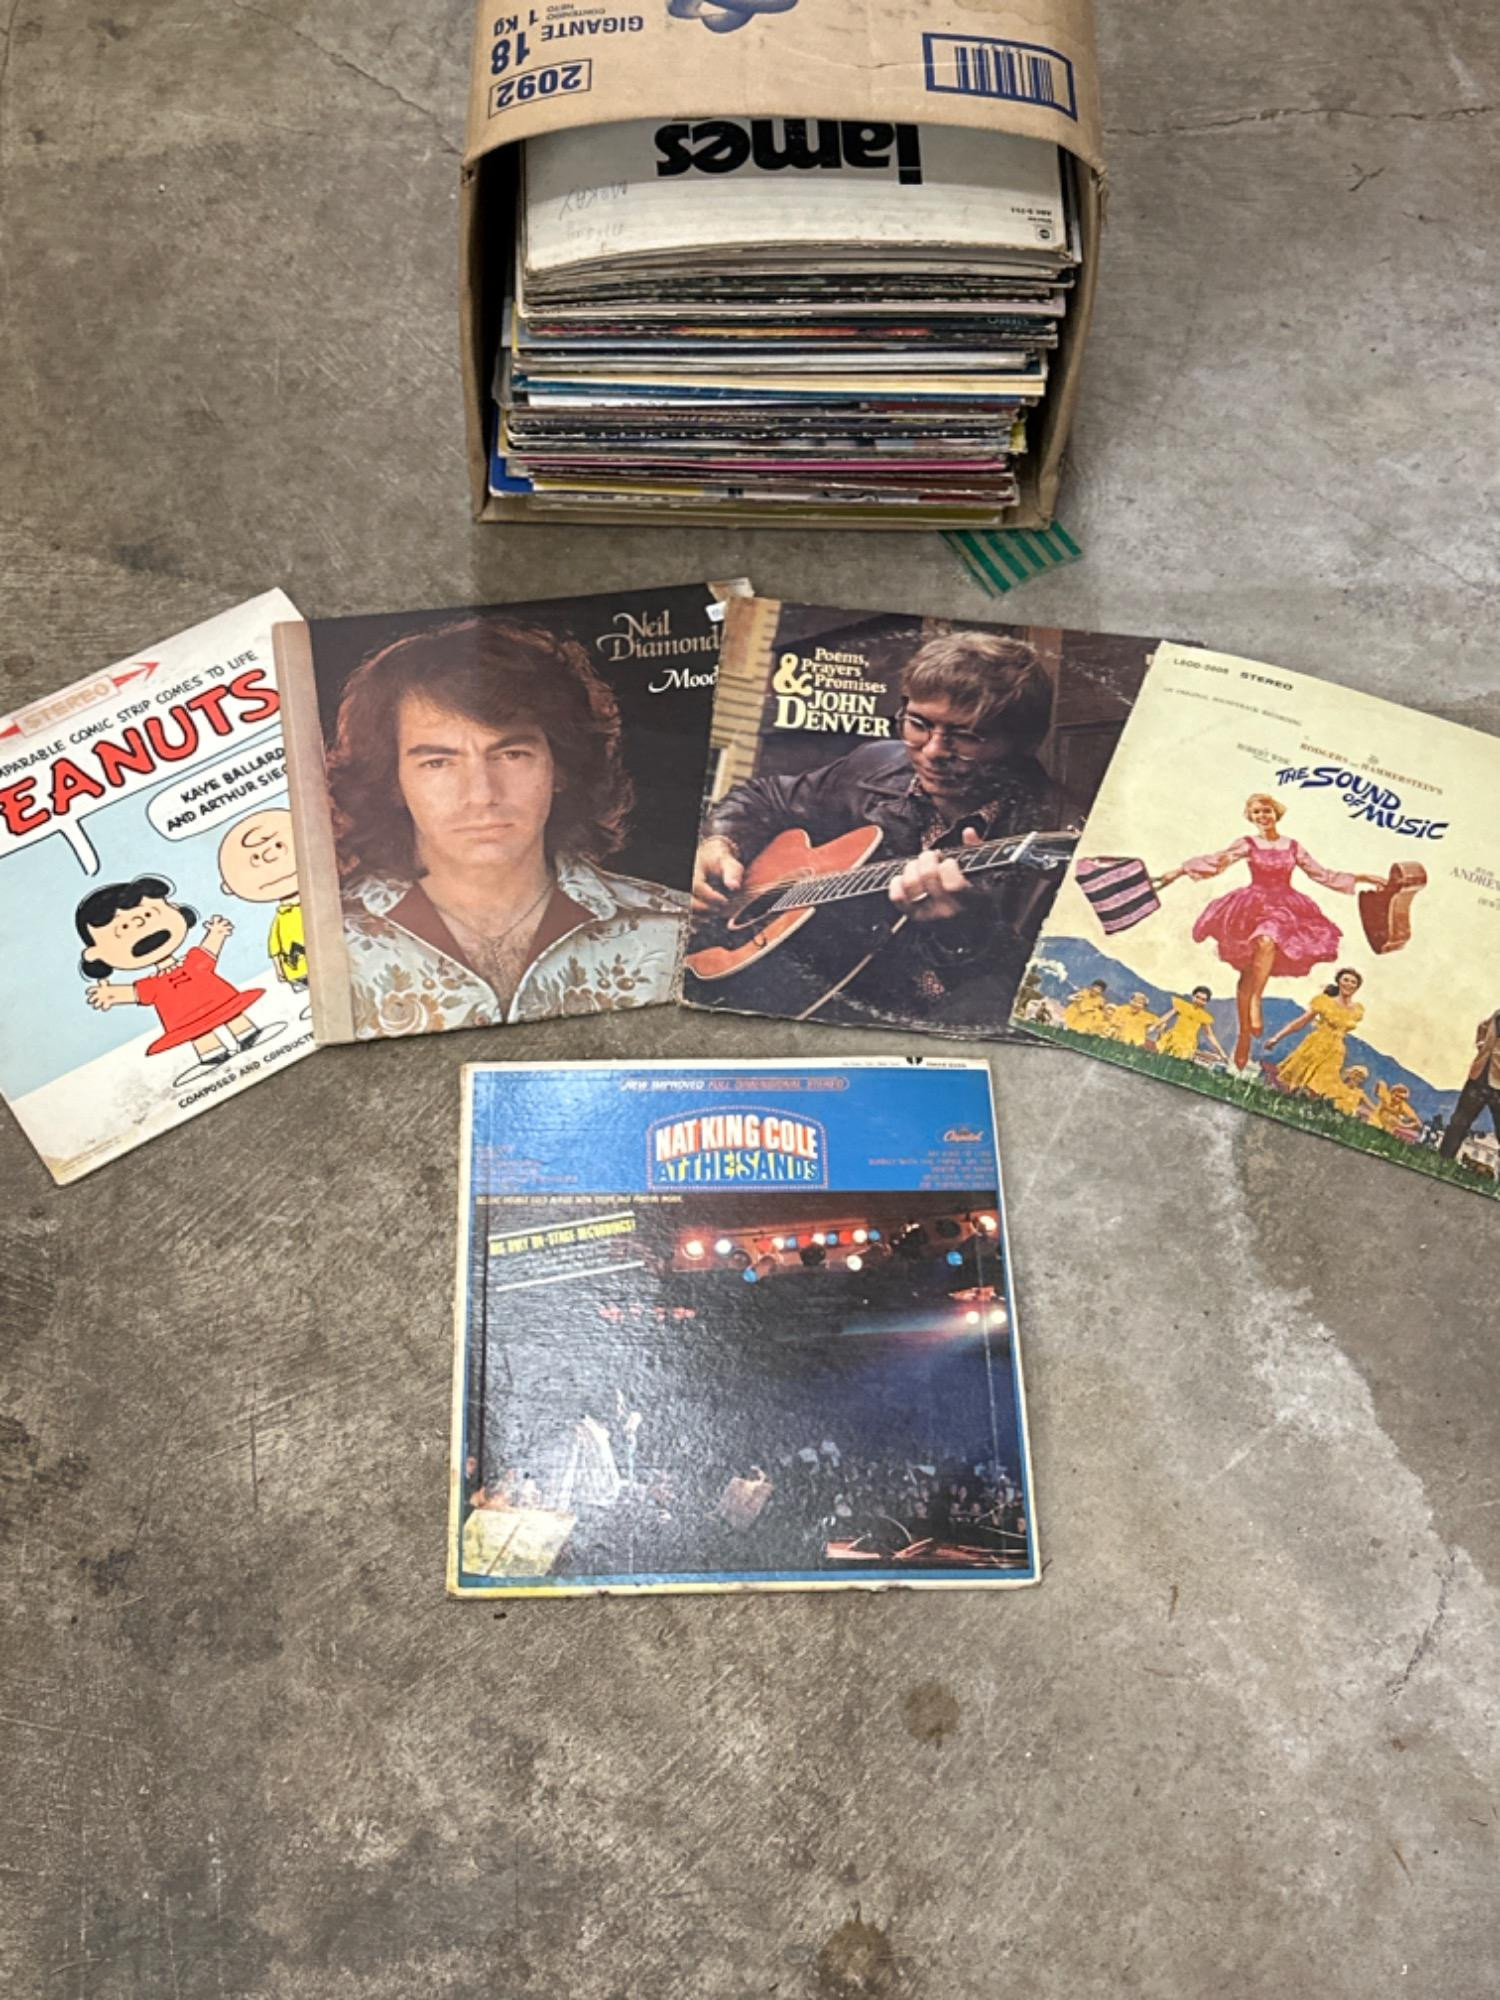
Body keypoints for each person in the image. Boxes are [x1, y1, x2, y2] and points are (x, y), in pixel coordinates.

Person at [325, 614, 687, 1037]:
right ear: (392, 782)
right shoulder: (326, 942)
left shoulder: (678, 932)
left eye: (511, 755)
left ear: (560, 768)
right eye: (438, 762)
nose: (481, 794)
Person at [691, 630, 1071, 1024]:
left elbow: (1043, 998)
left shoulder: (1055, 829)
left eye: (966, 736)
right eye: (918, 724)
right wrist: (720, 841)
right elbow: (766, 796)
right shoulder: (876, 766)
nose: (933, 751)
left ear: (1024, 743)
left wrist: (967, 934)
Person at [1151, 793, 1385, 1070]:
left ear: (1276, 813)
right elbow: (1218, 861)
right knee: (1247, 974)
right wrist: (1178, 872)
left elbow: (1322, 874)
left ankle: (1256, 999)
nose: (1263, 816)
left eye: (1267, 811)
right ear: (1251, 818)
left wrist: (1363, 878)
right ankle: (1243, 1036)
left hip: (1283, 907)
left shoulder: (1293, 846)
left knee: (1267, 939)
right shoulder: (1247, 844)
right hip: (1250, 907)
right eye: (1257, 813)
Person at [76, 875, 281, 1086]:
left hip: (220, 1000)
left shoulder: (192, 962)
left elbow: (208, 953)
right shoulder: (153, 985)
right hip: (185, 1018)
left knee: (233, 1015)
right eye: (123, 929)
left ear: (175, 910)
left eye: (147, 915)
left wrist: (216, 933)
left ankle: (248, 1034)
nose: (140, 927)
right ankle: (212, 1055)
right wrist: (110, 994)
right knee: (198, 1033)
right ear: (95, 954)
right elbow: (134, 993)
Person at [217, 806, 309, 1013]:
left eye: (278, 845)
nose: (270, 856)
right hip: (299, 968)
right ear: (228, 887)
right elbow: (275, 947)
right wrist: (279, 970)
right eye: (256, 858)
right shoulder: (282, 918)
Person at [1262, 967, 1366, 1100]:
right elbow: (1301, 1022)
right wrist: (1277, 1038)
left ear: (1357, 987)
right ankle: (1281, 1100)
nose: (1349, 984)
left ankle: (1306, 1106)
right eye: (1346, 980)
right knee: (1296, 1078)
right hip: (1315, 1045)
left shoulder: (1356, 1010)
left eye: (1353, 982)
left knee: (1319, 1085)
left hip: (1336, 1051)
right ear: (1339, 982)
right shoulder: (1324, 1002)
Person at [1439, 1009, 1500, 1164]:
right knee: (1459, 1121)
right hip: (1478, 1077)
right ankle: (1443, 1159)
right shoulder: (1498, 1015)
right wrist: (1481, 1045)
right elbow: (1483, 1027)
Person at [1149, 986, 1229, 1064]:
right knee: (1162, 1059)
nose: (1199, 1001)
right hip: (1173, 1038)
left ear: (1206, 1002)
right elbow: (1166, 1016)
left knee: (1178, 1063)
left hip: (1187, 1044)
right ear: (1193, 996)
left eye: (1203, 999)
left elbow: (1210, 1035)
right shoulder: (1183, 1006)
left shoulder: (1204, 1017)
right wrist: (1153, 1026)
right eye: (1197, 997)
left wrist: (1221, 1052)